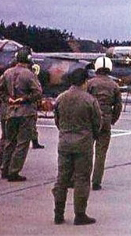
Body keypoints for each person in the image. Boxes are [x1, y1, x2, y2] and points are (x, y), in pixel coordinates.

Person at [52, 68, 102, 226]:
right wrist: (91, 135)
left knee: (62, 178)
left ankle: (58, 214)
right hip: (83, 144)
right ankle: (80, 214)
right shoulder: (90, 100)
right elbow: (97, 123)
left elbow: (57, 120)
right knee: (82, 178)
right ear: (85, 81)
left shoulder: (61, 98)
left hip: (65, 142)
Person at [0, 46, 43, 182]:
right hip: (25, 113)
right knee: (22, 143)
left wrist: (7, 99)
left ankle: (4, 168)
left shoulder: (7, 73)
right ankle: (14, 171)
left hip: (10, 112)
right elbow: (38, 92)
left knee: (9, 141)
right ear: (28, 59)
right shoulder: (29, 74)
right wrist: (25, 98)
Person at [86, 57, 122, 191]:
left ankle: (80, 179)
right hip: (106, 119)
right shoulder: (114, 85)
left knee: (85, 151)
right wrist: (113, 119)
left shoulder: (89, 83)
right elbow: (118, 106)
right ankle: (96, 181)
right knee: (101, 154)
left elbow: (83, 100)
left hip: (90, 119)